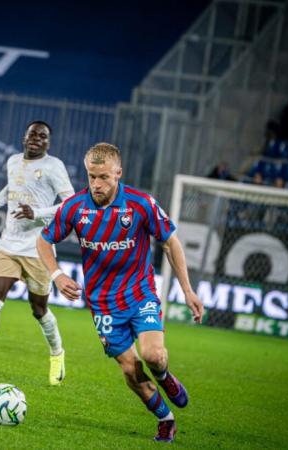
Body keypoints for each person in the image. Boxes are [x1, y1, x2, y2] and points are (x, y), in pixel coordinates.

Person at [36, 143, 204, 443]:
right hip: (103, 305)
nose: (97, 184)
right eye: (91, 177)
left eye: (103, 177)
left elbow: (170, 242)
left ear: (118, 173)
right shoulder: (75, 208)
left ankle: (165, 377)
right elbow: (44, 240)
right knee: (130, 369)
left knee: (153, 356)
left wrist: (188, 291)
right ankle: (165, 419)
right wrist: (57, 274)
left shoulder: (140, 204)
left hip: (140, 295)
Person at [0, 121, 75, 385]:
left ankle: (57, 353)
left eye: (42, 136)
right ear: (24, 137)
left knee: (39, 309)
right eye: (33, 134)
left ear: (48, 143)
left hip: (39, 248)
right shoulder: (12, 161)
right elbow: (11, 190)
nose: (37, 139)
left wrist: (38, 213)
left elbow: (71, 204)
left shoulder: (54, 167)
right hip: (8, 244)